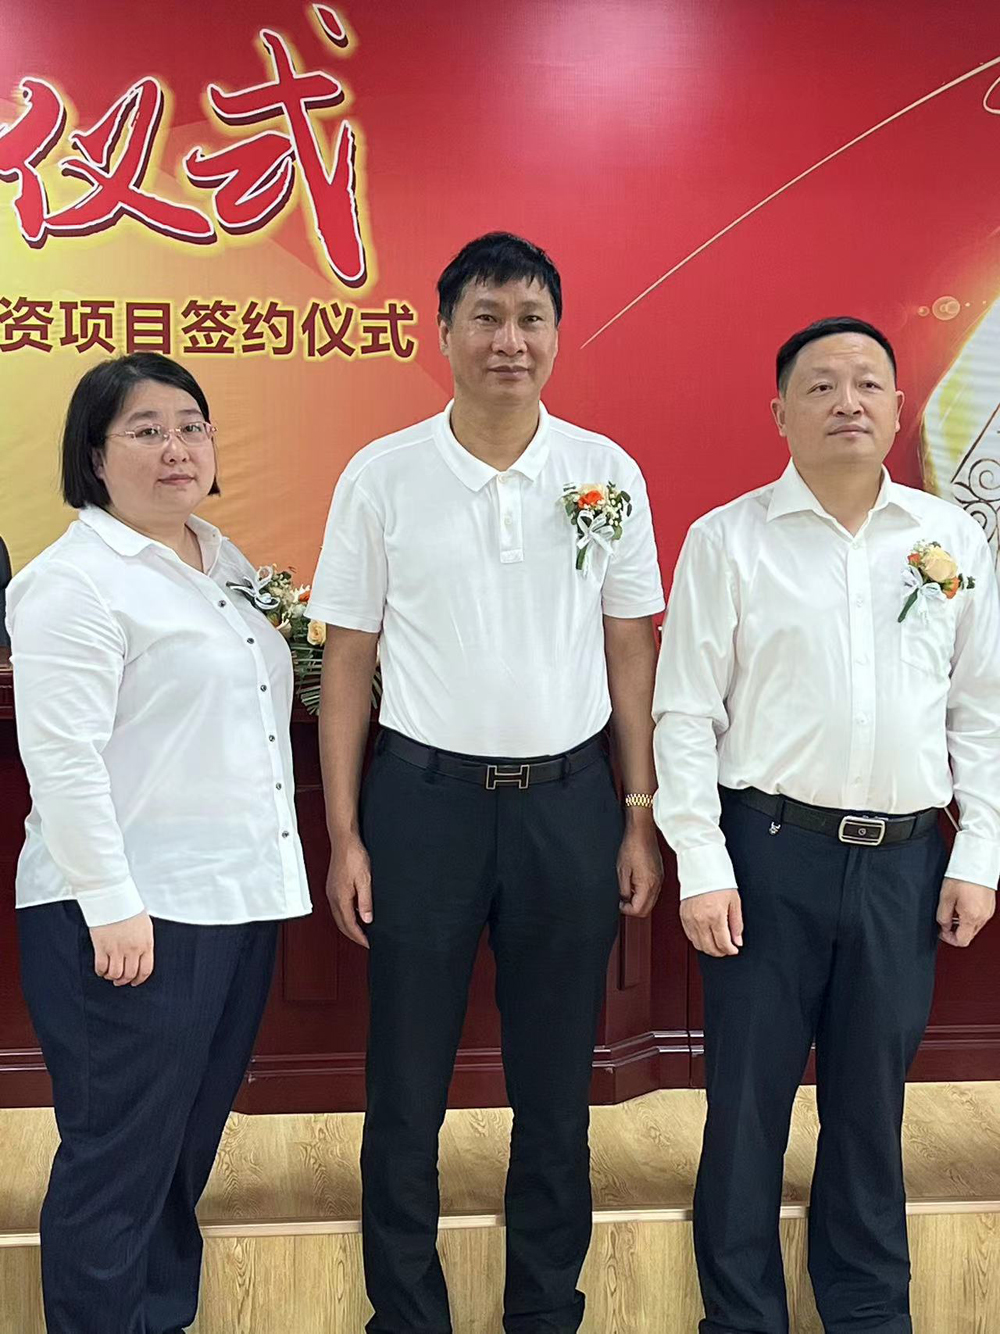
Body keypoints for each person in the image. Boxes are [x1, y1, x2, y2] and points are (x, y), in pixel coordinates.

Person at [309, 232, 665, 1333]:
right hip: (424, 808)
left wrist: (638, 814)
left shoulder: (604, 471)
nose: (510, 340)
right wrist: (347, 834)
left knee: (555, 1086)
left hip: (568, 804)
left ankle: (544, 1309)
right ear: (444, 331)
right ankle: (406, 1314)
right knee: (405, 1082)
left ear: (557, 333)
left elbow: (630, 650)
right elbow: (349, 659)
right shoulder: (382, 474)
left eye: (530, 318)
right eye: (486, 317)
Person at [653, 316, 1000, 1333]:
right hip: (767, 857)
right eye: (820, 385)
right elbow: (685, 712)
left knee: (869, 1112)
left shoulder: (949, 539)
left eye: (867, 383)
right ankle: (741, 1316)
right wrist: (700, 861)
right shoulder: (728, 539)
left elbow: (980, 708)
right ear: (779, 413)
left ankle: (867, 1311)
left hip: (903, 862)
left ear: (897, 407)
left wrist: (979, 851)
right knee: (746, 1110)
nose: (847, 401)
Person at [7, 352, 311, 1334]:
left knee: (179, 1151)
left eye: (192, 425)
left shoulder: (221, 563)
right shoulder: (74, 582)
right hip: (130, 915)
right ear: (94, 456)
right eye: (145, 430)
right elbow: (62, 760)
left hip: (230, 900)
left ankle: (160, 1318)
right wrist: (111, 903)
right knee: (117, 1160)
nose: (177, 447)